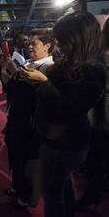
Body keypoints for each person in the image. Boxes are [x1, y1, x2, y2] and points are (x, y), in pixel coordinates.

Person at [20, 12, 107, 217]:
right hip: (55, 138)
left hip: (65, 142)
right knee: (62, 188)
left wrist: (43, 83)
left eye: (62, 41)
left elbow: (71, 109)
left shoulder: (94, 69)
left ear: (77, 38)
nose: (58, 46)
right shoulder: (72, 61)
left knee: (53, 196)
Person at [4, 28, 55, 208]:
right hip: (18, 118)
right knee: (17, 156)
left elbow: (42, 97)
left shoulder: (49, 68)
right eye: (29, 43)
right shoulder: (29, 62)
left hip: (31, 123)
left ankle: (29, 197)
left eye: (34, 44)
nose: (30, 47)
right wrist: (11, 74)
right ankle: (18, 187)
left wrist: (17, 74)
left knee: (30, 162)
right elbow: (14, 90)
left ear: (48, 46)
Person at [76, 17, 109, 210]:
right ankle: (94, 191)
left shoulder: (97, 57)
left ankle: (93, 193)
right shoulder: (98, 56)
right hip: (98, 115)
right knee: (96, 157)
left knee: (96, 157)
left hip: (99, 118)